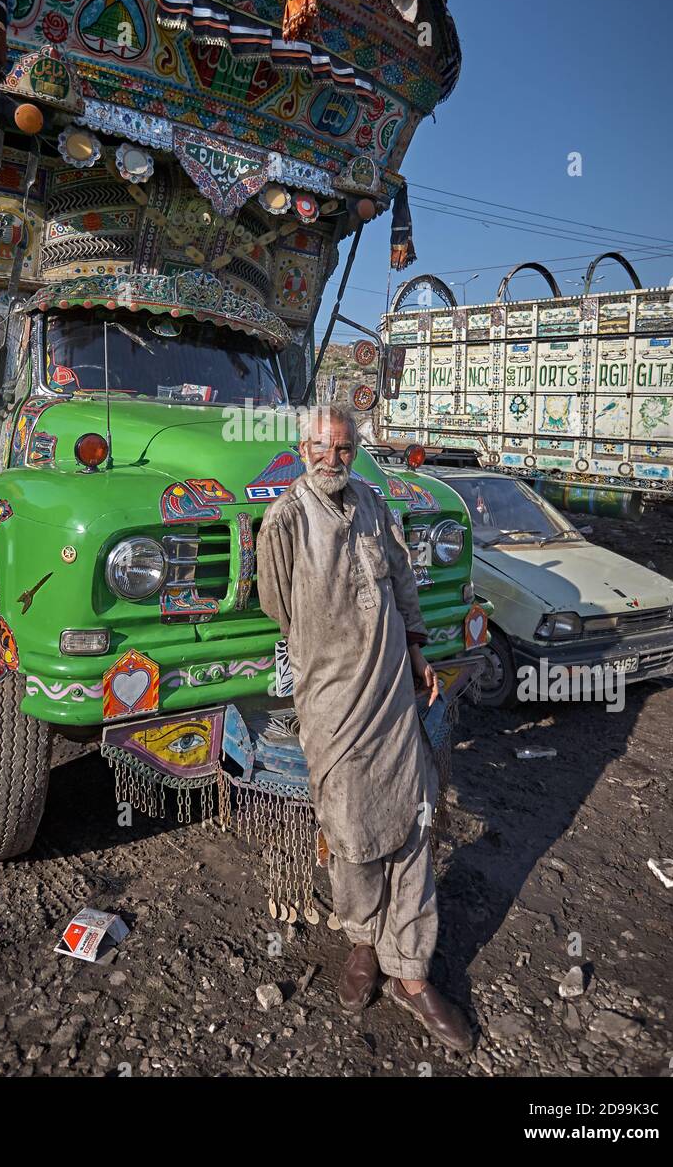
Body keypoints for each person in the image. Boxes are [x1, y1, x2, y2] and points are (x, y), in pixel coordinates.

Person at [256, 404, 473, 1051]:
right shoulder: (286, 521)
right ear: (302, 450)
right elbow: (275, 603)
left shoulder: (373, 505)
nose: (333, 459)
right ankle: (360, 943)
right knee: (353, 832)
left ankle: (409, 969)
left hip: (393, 695)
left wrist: (413, 644)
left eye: (344, 449)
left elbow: (402, 578)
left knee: (413, 819)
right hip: (332, 704)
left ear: (355, 452)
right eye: (322, 448)